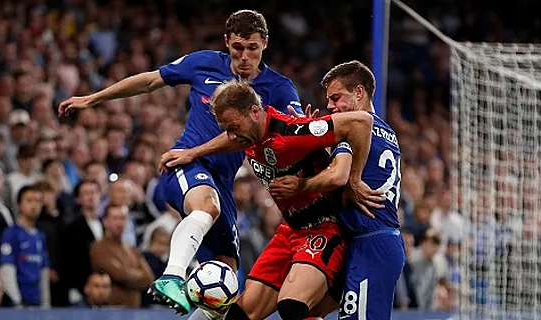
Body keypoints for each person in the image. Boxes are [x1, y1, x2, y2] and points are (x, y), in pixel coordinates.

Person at [58, 10, 301, 314]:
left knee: (224, 288)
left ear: (265, 43)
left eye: (252, 48)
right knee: (207, 206)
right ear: (226, 42)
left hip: (220, 182)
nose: (244, 57)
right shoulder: (203, 63)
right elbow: (149, 81)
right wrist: (92, 99)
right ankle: (171, 277)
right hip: (184, 165)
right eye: (237, 47)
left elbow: (287, 135)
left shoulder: (278, 89)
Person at [159, 80, 382, 320]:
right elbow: (230, 138)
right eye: (227, 128)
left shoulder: (292, 131)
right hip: (290, 231)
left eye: (234, 126)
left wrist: (352, 179)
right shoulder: (248, 134)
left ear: (255, 112)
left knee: (291, 307)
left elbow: (362, 122)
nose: (233, 135)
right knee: (239, 316)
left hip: (324, 229)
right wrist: (193, 153)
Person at [268, 61, 406, 319]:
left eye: (336, 97)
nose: (330, 106)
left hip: (372, 243)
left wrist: (300, 185)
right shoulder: (385, 131)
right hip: (364, 242)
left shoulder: (355, 132)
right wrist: (316, 139)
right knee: (303, 310)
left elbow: (336, 176)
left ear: (359, 93)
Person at [0, 184, 51, 308]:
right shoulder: (11, 233)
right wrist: (17, 302)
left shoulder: (40, 236)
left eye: (38, 201)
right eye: (29, 200)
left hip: (36, 303)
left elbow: (43, 272)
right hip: (19, 304)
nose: (34, 205)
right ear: (19, 205)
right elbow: (7, 269)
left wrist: (46, 305)